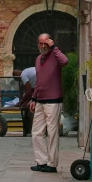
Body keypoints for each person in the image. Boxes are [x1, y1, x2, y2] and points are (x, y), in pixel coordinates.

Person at [26, 31, 68, 173]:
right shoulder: (38, 59)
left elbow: (65, 61)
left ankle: (52, 163)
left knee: (52, 132)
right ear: (38, 44)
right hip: (40, 100)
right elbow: (39, 81)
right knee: (36, 131)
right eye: (41, 43)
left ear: (49, 43)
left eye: (46, 43)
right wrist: (33, 98)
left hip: (53, 100)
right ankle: (41, 161)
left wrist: (55, 47)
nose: (43, 46)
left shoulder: (56, 56)